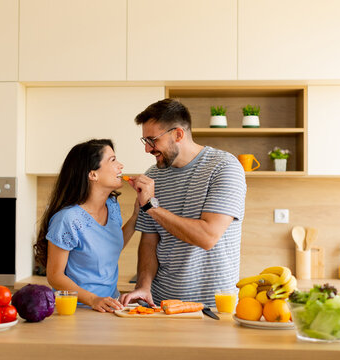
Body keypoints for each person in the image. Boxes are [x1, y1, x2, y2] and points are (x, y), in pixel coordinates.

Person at [119, 99, 247, 308]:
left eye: (152, 140)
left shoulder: (224, 167)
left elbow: (207, 237)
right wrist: (143, 286)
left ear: (178, 134)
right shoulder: (154, 176)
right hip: (161, 304)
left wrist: (151, 207)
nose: (148, 150)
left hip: (213, 306)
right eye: (145, 142)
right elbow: (149, 242)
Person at [35, 139, 139, 313]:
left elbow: (110, 246)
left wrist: (137, 215)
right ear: (93, 174)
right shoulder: (68, 219)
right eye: (112, 160)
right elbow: (55, 276)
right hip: (78, 309)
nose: (120, 165)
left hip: (110, 307)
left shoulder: (112, 206)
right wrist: (93, 299)